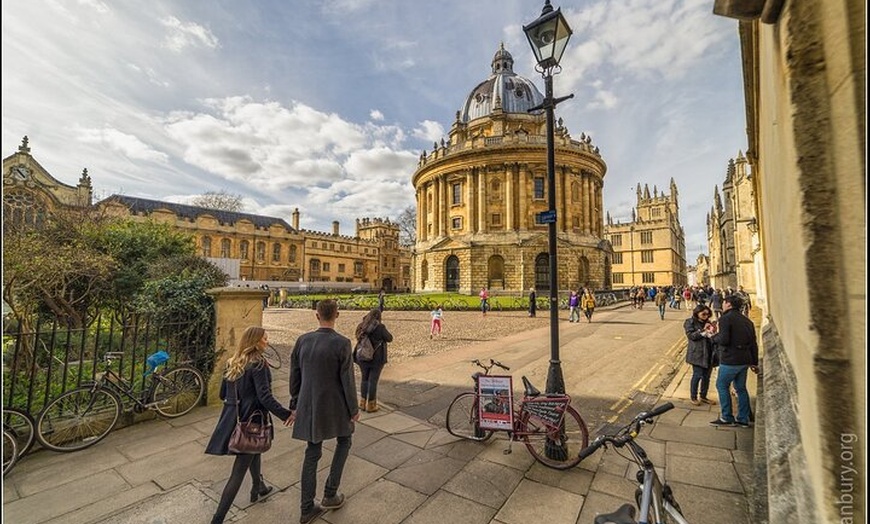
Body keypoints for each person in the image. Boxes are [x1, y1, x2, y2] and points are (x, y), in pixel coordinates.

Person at [206, 327, 292, 524]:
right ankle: (217, 519)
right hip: (250, 421)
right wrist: (286, 414)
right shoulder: (259, 364)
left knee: (255, 450)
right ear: (255, 342)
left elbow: (222, 395)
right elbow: (265, 398)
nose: (266, 342)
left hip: (233, 420)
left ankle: (258, 487)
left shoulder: (232, 362)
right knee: (238, 472)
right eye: (264, 339)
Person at [288, 299, 360, 524]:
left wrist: (295, 402)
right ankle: (330, 494)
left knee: (312, 452)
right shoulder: (342, 343)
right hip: (336, 405)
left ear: (316, 315)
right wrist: (353, 409)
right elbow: (347, 381)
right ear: (337, 315)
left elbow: (295, 376)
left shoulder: (302, 340)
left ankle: (306, 508)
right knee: (345, 441)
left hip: (309, 404)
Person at [709, 295, 759, 428]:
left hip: (731, 359)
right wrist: (754, 362)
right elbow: (754, 343)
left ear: (729, 304)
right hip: (745, 360)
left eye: (724, 302)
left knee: (722, 385)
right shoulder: (747, 321)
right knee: (741, 388)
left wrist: (713, 337)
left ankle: (727, 417)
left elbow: (724, 340)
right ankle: (743, 419)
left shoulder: (725, 319)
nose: (723, 304)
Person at [354, 308, 393, 413]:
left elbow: (357, 337)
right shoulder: (380, 327)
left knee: (364, 379)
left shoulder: (362, 325)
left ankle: (362, 402)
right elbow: (389, 338)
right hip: (376, 358)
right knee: (373, 381)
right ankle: (371, 404)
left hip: (362, 357)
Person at [684, 305, 717, 406]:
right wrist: (702, 331)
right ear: (697, 313)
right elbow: (691, 336)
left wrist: (713, 332)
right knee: (697, 375)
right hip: (697, 353)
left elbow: (712, 336)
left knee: (707, 376)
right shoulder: (690, 322)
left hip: (709, 352)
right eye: (703, 314)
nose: (706, 316)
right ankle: (693, 397)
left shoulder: (709, 322)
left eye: (708, 314)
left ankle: (703, 396)